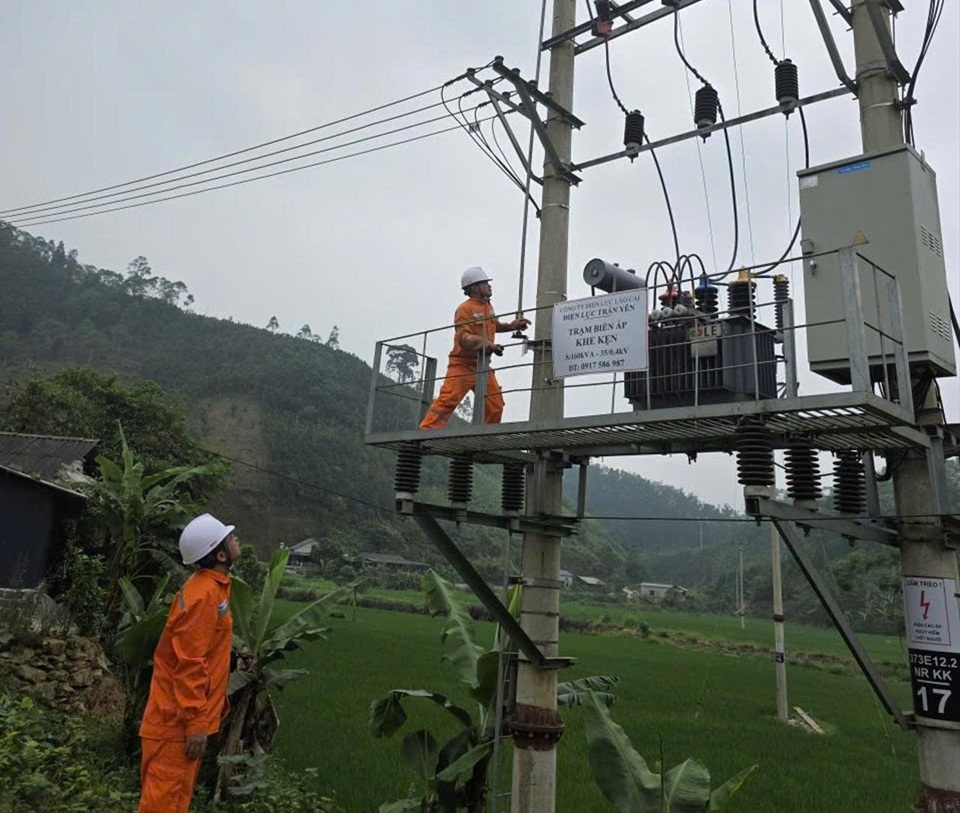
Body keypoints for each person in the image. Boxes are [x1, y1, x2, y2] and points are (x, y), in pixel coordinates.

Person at [138, 513, 240, 813]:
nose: (236, 538)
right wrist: (195, 723)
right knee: (163, 805)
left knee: (173, 802)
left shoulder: (211, 588)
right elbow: (190, 662)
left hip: (179, 720)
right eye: (229, 537)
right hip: (176, 724)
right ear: (220, 555)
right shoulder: (203, 595)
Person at [420, 266, 530, 429]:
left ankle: (486, 435)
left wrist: (512, 326)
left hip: (482, 366)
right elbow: (463, 338)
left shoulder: (487, 307)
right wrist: (486, 344)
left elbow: (493, 325)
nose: (489, 286)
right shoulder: (464, 309)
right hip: (462, 365)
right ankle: (425, 433)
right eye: (485, 283)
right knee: (447, 401)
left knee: (495, 405)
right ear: (475, 287)